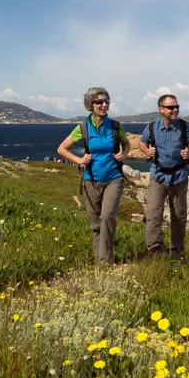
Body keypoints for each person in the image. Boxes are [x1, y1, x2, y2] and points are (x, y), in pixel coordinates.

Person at [57, 87, 129, 264]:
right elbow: (62, 149)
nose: (104, 105)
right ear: (90, 104)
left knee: (107, 217)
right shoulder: (83, 127)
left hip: (114, 177)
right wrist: (80, 159)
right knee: (95, 223)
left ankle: (105, 262)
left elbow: (126, 145)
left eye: (107, 102)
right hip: (91, 180)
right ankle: (100, 261)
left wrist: (124, 154)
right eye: (99, 102)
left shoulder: (115, 126)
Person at [138, 94, 189, 260]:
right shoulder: (152, 127)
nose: (175, 110)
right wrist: (147, 151)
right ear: (161, 109)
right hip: (158, 176)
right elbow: (141, 142)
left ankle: (176, 252)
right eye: (171, 107)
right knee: (154, 214)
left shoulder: (185, 127)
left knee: (179, 216)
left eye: (177, 107)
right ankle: (155, 251)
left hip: (179, 177)